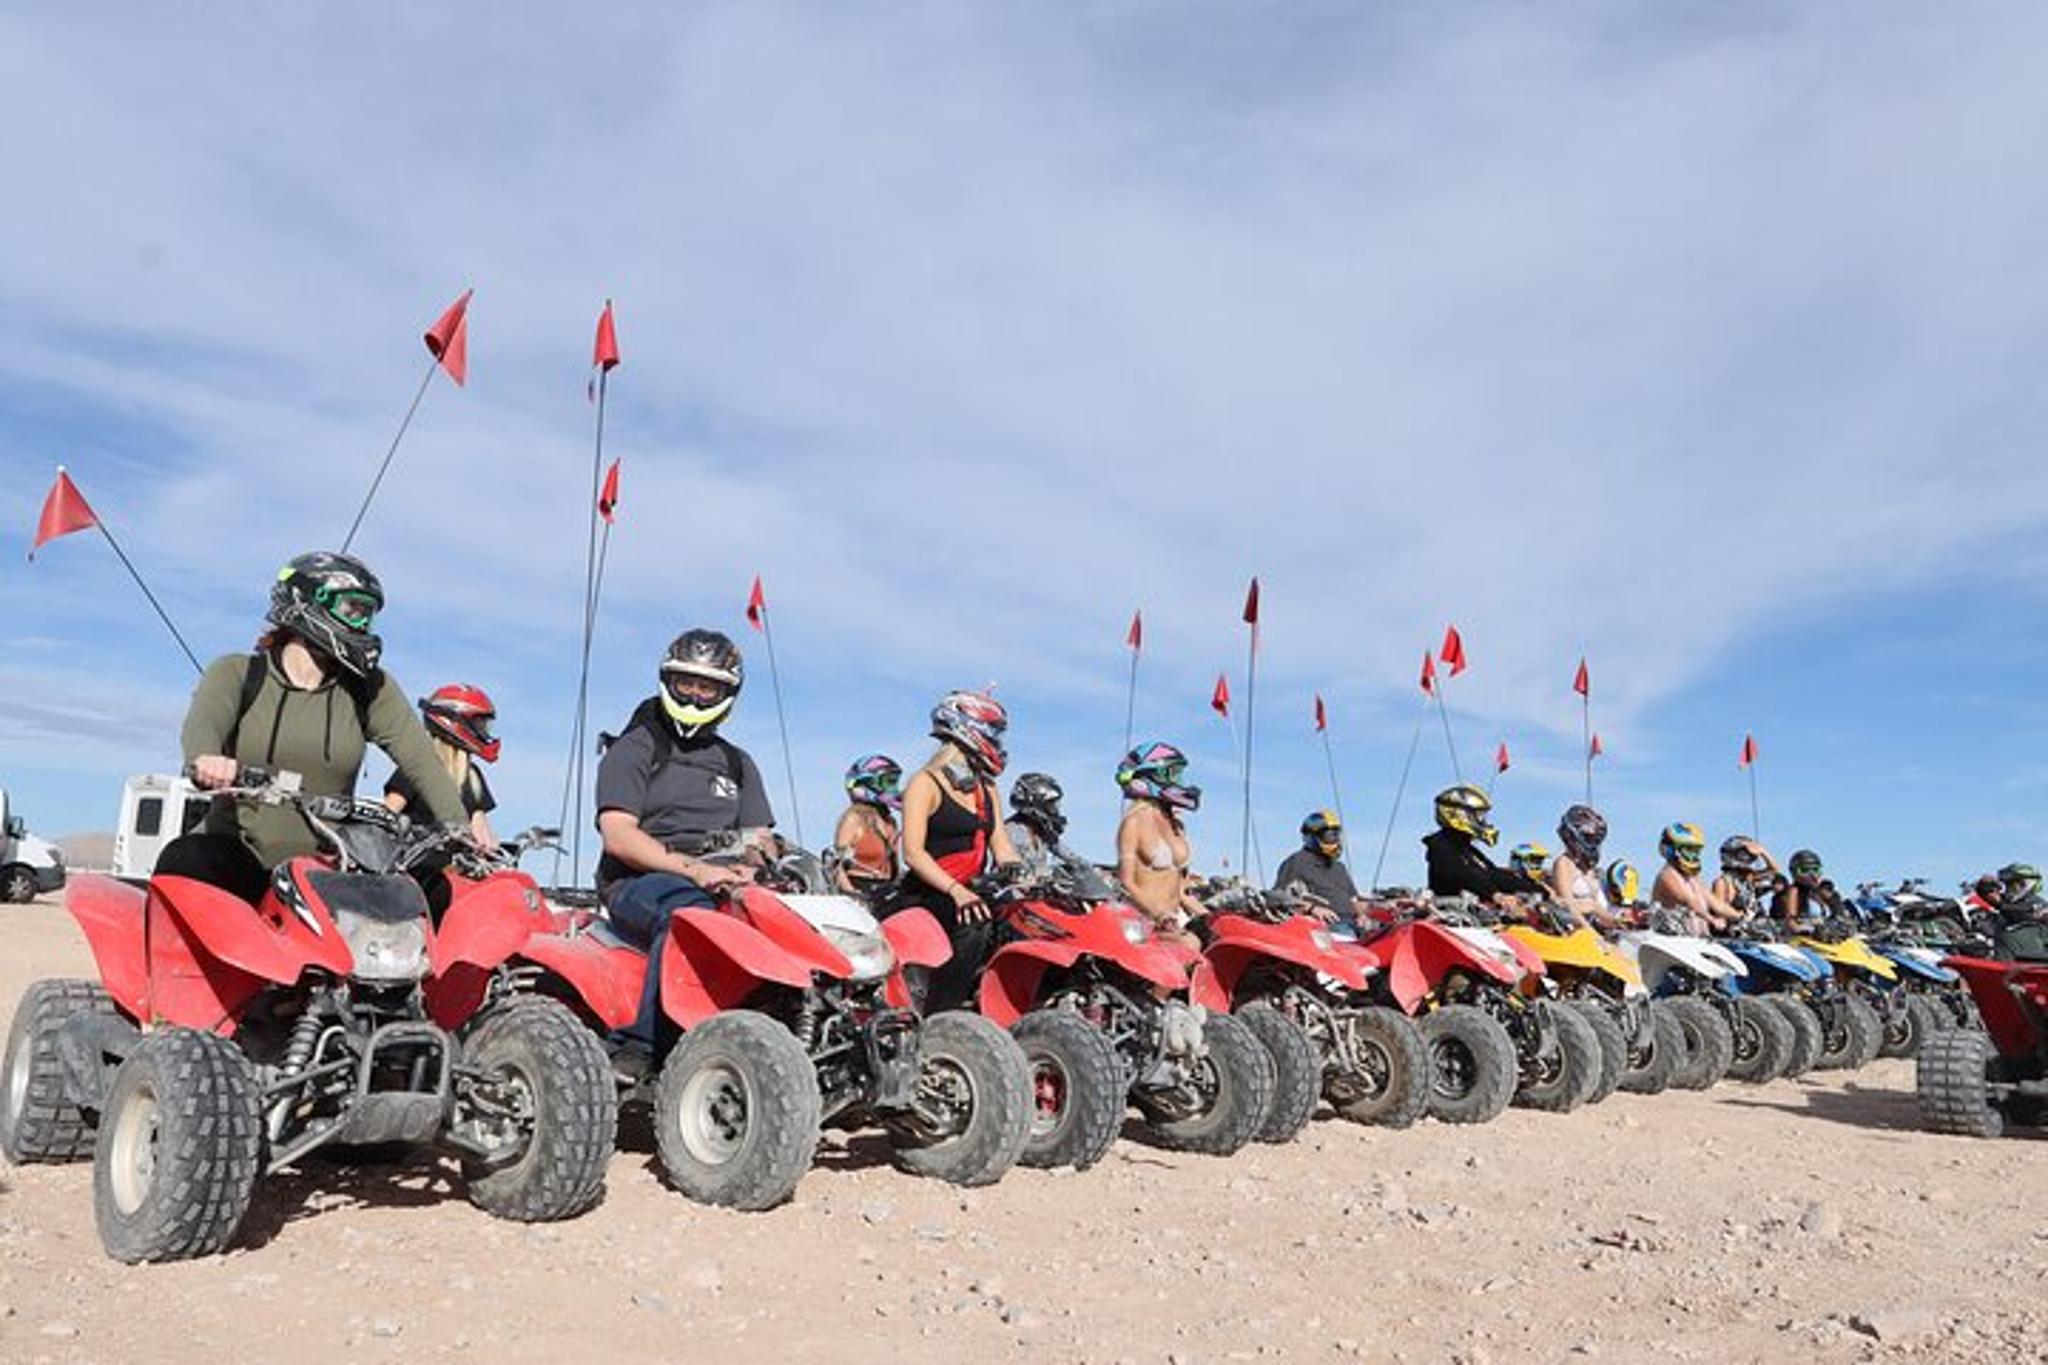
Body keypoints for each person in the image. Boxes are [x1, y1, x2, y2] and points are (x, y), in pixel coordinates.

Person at [163, 551, 466, 905]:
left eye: (368, 615)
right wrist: (207, 760)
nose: (362, 624)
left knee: (433, 892)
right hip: (240, 855)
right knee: (185, 861)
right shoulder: (236, 673)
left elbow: (421, 759)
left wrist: (459, 827)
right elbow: (203, 726)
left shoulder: (370, 688)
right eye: (353, 609)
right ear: (305, 602)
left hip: (329, 866)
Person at [594, 629, 775, 1051]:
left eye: (707, 687)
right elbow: (618, 836)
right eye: (686, 683)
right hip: (640, 883)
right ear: (668, 681)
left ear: (726, 693)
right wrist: (695, 870)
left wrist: (753, 865)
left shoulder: (738, 763)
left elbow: (758, 839)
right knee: (690, 913)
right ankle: (644, 1046)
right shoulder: (637, 747)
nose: (694, 695)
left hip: (723, 878)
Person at [897, 691, 1020, 1010]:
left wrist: (1023, 875)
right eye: (993, 731)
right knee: (974, 923)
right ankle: (941, 1015)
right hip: (928, 893)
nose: (998, 741)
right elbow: (912, 853)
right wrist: (956, 891)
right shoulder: (924, 783)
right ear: (967, 727)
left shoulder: (987, 787)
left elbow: (1002, 845)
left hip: (972, 890)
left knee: (1022, 920)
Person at [384, 683, 501, 851]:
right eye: (479, 723)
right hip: (414, 868)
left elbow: (482, 833)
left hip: (455, 869)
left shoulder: (473, 775)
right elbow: (386, 818)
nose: (483, 731)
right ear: (455, 721)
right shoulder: (418, 766)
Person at [1113, 741, 1207, 942]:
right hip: (1141, 924)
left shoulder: (1177, 825)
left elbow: (1181, 891)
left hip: (1173, 923)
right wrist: (1160, 915)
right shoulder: (1134, 822)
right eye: (1173, 774)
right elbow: (1126, 882)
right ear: (1151, 775)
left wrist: (1212, 917)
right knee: (1190, 948)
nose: (1180, 782)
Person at [1421, 784, 1526, 910]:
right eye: (1479, 816)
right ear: (1459, 815)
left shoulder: (1468, 849)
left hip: (1476, 919)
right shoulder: (1440, 844)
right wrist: (1496, 895)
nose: (1483, 822)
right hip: (1450, 918)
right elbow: (1462, 874)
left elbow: (1494, 874)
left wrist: (1541, 891)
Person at [1651, 822, 1742, 936]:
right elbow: (1690, 902)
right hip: (1670, 941)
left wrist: (1740, 916)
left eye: (1696, 851)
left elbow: (1717, 905)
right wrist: (1712, 920)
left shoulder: (1693, 879)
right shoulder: (1667, 875)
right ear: (1671, 849)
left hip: (1694, 941)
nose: (1694, 855)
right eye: (1689, 849)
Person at [831, 754, 903, 895]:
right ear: (868, 782)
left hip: (886, 889)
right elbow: (836, 865)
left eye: (895, 782)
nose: (894, 788)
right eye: (888, 781)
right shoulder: (854, 819)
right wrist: (852, 895)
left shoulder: (890, 822)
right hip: (858, 889)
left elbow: (894, 866)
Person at [1270, 810, 1359, 924]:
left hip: (1356, 926)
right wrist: (1312, 908)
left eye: (1336, 835)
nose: (1335, 841)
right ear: (1312, 837)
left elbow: (1354, 900)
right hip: (1326, 927)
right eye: (1330, 836)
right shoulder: (1297, 862)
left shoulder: (1340, 868)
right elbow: (1276, 897)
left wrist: (1364, 915)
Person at [1548, 804, 1624, 930]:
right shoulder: (1564, 863)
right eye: (1590, 839)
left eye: (1597, 840)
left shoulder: (1592, 870)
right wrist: (1594, 937)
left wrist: (1620, 923)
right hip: (1576, 937)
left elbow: (1602, 912)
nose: (1594, 844)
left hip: (1600, 935)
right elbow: (1567, 908)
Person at [1005, 772, 1074, 880]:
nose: (1055, 810)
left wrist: (1094, 871)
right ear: (1034, 802)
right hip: (1013, 895)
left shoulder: (1043, 832)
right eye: (1051, 804)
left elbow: (1071, 857)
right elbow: (1010, 873)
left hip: (1038, 895)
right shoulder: (1010, 833)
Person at [1709, 836, 1778, 930]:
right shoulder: (1721, 883)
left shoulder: (1749, 878)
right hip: (1731, 934)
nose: (1748, 859)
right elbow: (1719, 913)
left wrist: (1762, 851)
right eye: (1744, 855)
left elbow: (1773, 870)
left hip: (1752, 930)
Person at [1770, 848, 1843, 930]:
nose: (1812, 874)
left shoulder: (1823, 889)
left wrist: (1841, 920)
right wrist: (1799, 928)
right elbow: (1791, 919)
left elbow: (1840, 912)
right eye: (1805, 870)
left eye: (1815, 869)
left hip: (1826, 934)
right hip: (1802, 936)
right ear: (1794, 872)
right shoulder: (1794, 890)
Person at [1992, 862, 2048, 960]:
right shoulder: (2006, 910)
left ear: (2025, 884)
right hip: (2007, 962)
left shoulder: (2038, 904)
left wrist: (1998, 904)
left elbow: (2022, 913)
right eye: (2007, 885)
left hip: (2035, 964)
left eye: (2012, 885)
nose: (2008, 890)